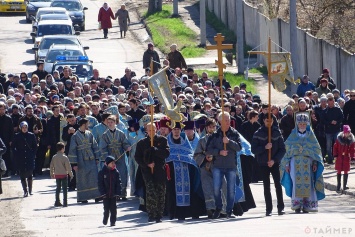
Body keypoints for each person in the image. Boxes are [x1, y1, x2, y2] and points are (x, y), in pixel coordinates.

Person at [280, 113, 325, 213]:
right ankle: (297, 205)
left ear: (307, 124)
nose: (302, 125)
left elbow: (316, 151)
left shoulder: (311, 136)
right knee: (296, 183)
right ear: (297, 124)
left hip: (307, 163)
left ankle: (307, 205)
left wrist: (314, 163)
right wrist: (286, 164)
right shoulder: (292, 136)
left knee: (309, 183)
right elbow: (286, 151)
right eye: (300, 124)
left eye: (304, 124)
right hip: (294, 163)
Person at [166, 122, 205, 221]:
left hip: (186, 170)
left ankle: (191, 212)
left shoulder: (184, 141)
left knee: (190, 191)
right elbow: (166, 156)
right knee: (173, 192)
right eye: (174, 129)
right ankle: (177, 214)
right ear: (172, 130)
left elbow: (190, 154)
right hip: (172, 171)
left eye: (178, 129)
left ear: (180, 130)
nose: (176, 131)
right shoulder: (168, 141)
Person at [206, 112, 242, 219]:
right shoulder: (215, 134)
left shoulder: (234, 133)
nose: (227, 122)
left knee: (231, 189)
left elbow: (239, 147)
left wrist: (229, 141)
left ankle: (229, 210)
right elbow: (208, 149)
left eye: (228, 120)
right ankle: (218, 207)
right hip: (218, 165)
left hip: (231, 165)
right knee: (217, 188)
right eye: (225, 120)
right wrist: (219, 152)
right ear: (220, 121)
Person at [251, 113, 286, 216]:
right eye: (267, 121)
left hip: (274, 163)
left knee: (278, 186)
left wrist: (274, 160)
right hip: (263, 163)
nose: (269, 123)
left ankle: (280, 207)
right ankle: (268, 209)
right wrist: (264, 148)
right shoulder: (258, 133)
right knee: (266, 187)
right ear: (264, 121)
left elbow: (282, 149)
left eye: (271, 121)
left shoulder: (277, 132)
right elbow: (254, 149)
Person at [135, 122, 170, 223]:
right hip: (147, 171)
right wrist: (147, 165)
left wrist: (155, 150)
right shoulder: (141, 143)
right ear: (146, 131)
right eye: (149, 130)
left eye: (153, 130)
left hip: (160, 170)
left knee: (160, 192)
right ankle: (151, 213)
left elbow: (166, 153)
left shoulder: (162, 140)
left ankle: (159, 214)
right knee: (151, 192)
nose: (152, 132)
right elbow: (138, 157)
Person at [68, 118, 101, 203]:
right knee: (82, 177)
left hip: (91, 158)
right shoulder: (75, 136)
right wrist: (74, 164)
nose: (88, 125)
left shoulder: (89, 133)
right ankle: (83, 197)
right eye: (87, 124)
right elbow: (72, 150)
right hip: (80, 159)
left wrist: (97, 157)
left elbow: (95, 146)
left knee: (94, 176)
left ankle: (97, 196)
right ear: (83, 124)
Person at [99, 115, 131, 200]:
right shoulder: (105, 135)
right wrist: (107, 159)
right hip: (111, 158)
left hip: (120, 157)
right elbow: (102, 147)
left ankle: (123, 194)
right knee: (112, 177)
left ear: (115, 122)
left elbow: (125, 143)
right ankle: (114, 194)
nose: (110, 124)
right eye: (108, 122)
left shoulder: (121, 133)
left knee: (123, 174)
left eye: (111, 122)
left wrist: (127, 147)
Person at [12, 121, 38, 197]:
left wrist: (33, 154)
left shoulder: (31, 135)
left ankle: (30, 190)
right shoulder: (17, 136)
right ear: (20, 128)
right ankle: (25, 191)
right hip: (21, 157)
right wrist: (16, 154)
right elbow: (13, 147)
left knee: (30, 174)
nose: (24, 129)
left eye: (25, 127)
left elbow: (35, 146)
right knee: (22, 175)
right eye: (23, 127)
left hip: (29, 156)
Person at [98, 156, 122, 227]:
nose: (113, 164)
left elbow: (119, 183)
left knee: (113, 209)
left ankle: (113, 222)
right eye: (112, 163)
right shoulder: (102, 173)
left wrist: (118, 193)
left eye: (114, 163)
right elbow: (100, 184)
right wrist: (102, 193)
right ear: (107, 164)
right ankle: (105, 219)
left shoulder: (116, 172)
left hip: (113, 194)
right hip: (105, 195)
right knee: (106, 209)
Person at [50, 142, 74, 207]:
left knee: (58, 188)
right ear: (62, 149)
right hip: (64, 175)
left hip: (57, 175)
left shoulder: (54, 157)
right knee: (65, 189)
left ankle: (57, 201)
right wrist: (71, 174)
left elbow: (51, 166)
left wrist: (52, 173)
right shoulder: (65, 157)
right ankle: (65, 202)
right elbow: (68, 167)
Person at [333, 125, 354, 193]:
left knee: (346, 170)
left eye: (348, 132)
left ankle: (344, 185)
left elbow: (352, 150)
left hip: (346, 157)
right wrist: (335, 155)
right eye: (346, 133)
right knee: (339, 170)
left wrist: (352, 156)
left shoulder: (351, 141)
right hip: (339, 157)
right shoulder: (339, 139)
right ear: (343, 133)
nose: (347, 134)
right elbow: (335, 147)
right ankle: (338, 185)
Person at [324, 96, 343, 164]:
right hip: (328, 131)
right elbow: (323, 120)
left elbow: (342, 118)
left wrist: (337, 122)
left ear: (334, 102)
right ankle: (330, 159)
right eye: (329, 104)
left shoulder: (338, 109)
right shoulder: (326, 110)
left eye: (331, 103)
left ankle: (338, 158)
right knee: (328, 147)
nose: (330, 105)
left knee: (338, 145)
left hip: (336, 130)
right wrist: (330, 122)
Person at [0, 102, 14, 177]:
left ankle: (6, 171)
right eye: (0, 109)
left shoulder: (8, 118)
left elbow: (11, 131)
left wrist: (11, 140)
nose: (2, 111)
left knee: (7, 156)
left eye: (3, 109)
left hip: (6, 140)